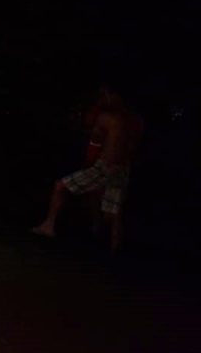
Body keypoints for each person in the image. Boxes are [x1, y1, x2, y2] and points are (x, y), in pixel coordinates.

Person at [32, 83, 143, 252]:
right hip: (121, 168)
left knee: (60, 187)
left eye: (105, 95)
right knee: (112, 213)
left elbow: (95, 138)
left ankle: (49, 226)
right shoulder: (135, 120)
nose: (102, 99)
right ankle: (111, 249)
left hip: (105, 166)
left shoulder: (107, 117)